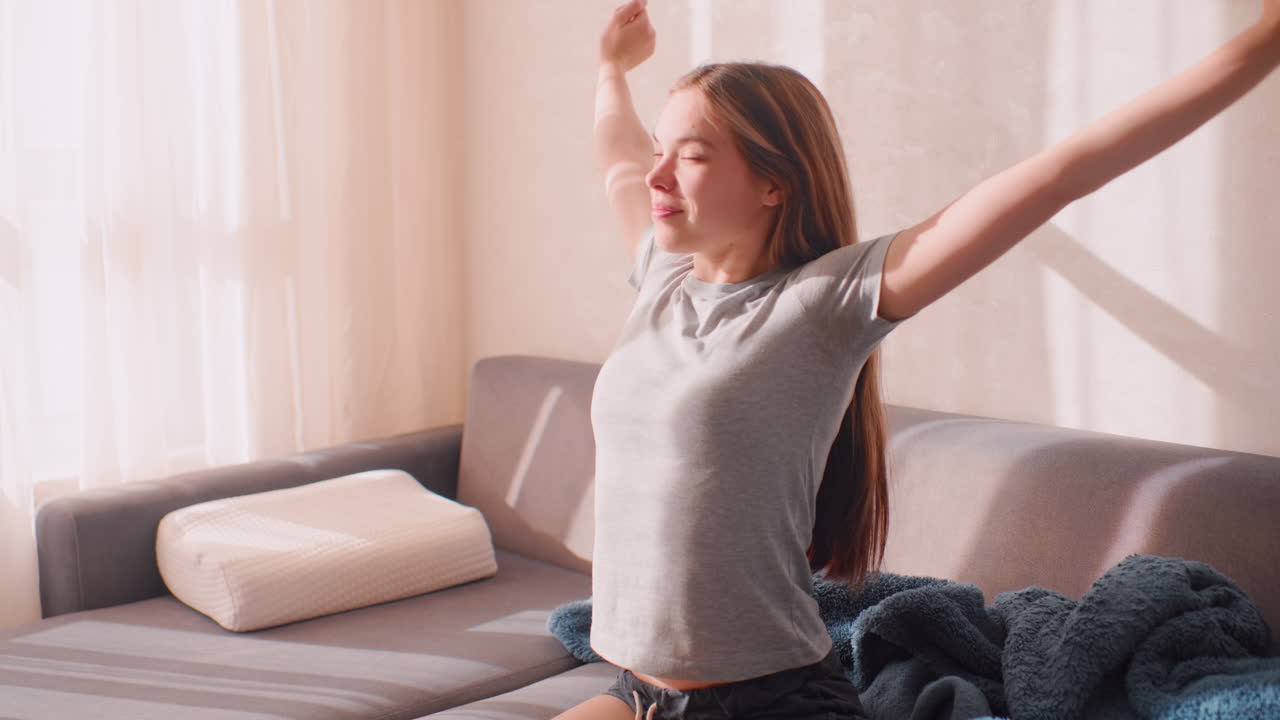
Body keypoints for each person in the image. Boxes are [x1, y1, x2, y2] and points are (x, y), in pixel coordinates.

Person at [555, 1, 1280, 719]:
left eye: (691, 156)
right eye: (661, 150)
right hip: (639, 693)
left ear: (775, 183)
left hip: (767, 700)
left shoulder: (822, 301)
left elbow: (1059, 174)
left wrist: (1261, 45)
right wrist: (611, 67)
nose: (657, 175)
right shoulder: (662, 277)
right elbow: (618, 156)